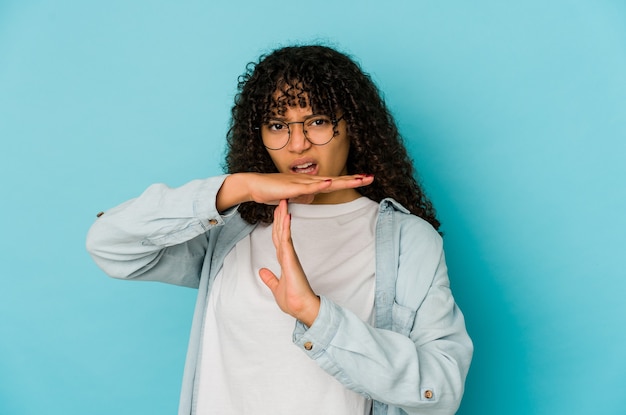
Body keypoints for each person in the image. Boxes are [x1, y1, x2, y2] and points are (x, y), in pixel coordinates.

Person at [86, 44, 473, 415]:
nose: (298, 144)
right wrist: (240, 187)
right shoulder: (231, 229)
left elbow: (441, 390)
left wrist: (317, 315)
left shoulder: (407, 240)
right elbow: (110, 244)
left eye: (318, 121)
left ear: (354, 125)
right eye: (277, 125)